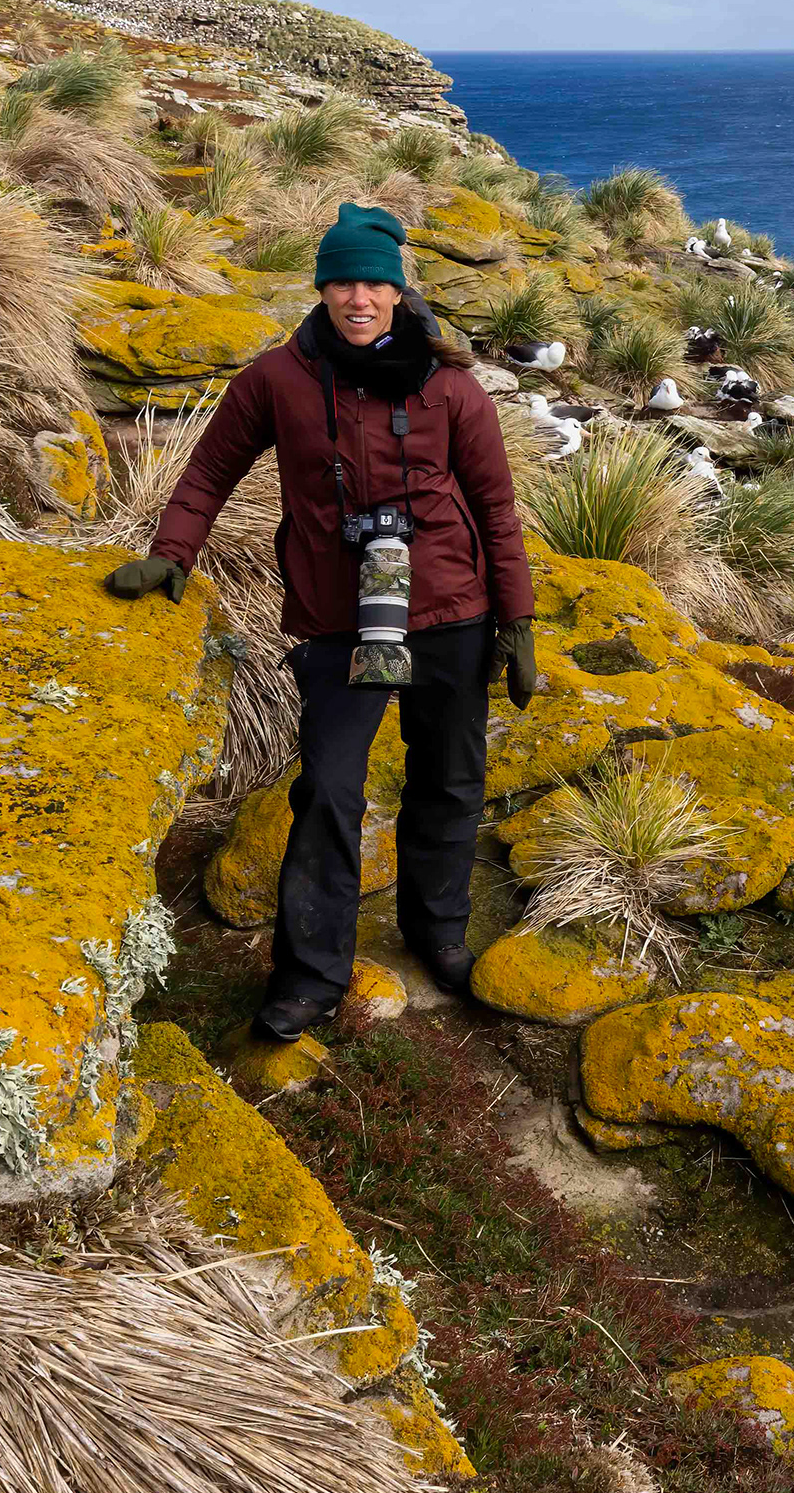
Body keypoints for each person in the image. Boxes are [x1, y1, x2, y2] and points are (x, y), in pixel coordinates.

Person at [105, 200, 537, 1040]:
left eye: (374, 280)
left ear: (399, 289)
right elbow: (210, 470)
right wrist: (174, 551)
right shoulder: (277, 379)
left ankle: (438, 931)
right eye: (341, 280)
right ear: (322, 288)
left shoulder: (452, 387)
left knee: (448, 781)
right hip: (338, 618)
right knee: (329, 788)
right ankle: (309, 975)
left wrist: (515, 623)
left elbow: (497, 510)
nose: (358, 296)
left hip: (451, 608)